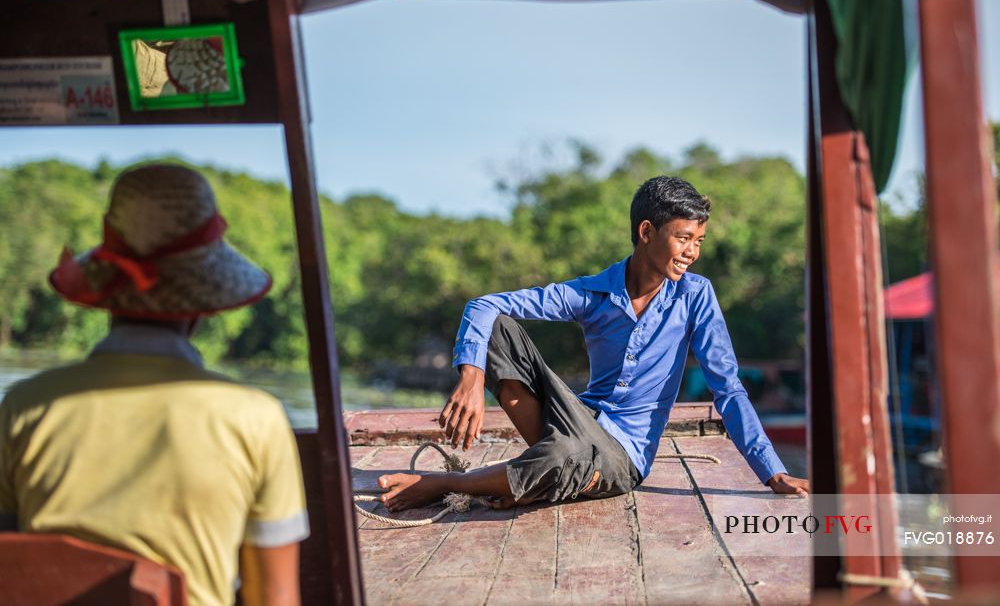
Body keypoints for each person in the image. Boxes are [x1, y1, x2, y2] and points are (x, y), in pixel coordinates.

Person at [378, 176, 809, 511]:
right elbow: (484, 304)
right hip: (578, 420)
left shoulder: (696, 296)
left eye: (698, 241)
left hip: (624, 457)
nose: (692, 252)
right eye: (683, 238)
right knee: (499, 327)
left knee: (567, 451)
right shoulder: (592, 294)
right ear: (646, 231)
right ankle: (544, 477)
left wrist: (772, 472)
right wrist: (470, 379)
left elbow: (728, 389)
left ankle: (444, 483)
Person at [0, 164, 308, 606]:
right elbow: (274, 599)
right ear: (204, 304)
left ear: (107, 294)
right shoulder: (254, 417)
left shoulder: (24, 405)